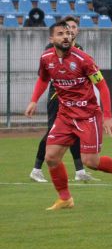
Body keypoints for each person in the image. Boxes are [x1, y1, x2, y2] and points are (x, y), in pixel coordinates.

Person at [24, 20, 112, 210]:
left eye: (68, 33)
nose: (66, 36)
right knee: (51, 157)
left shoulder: (83, 59)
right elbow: (43, 79)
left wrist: (106, 116)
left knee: (91, 162)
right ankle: (65, 198)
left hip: (88, 115)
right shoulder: (46, 58)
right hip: (65, 115)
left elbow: (102, 86)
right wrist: (33, 100)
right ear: (51, 38)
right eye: (60, 34)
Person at [28, 16, 94, 184]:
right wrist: (34, 100)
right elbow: (44, 77)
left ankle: (79, 171)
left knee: (75, 132)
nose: (70, 31)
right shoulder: (52, 49)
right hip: (57, 95)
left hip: (75, 98)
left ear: (77, 31)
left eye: (73, 28)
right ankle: (36, 169)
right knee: (52, 131)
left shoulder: (79, 50)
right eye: (67, 28)